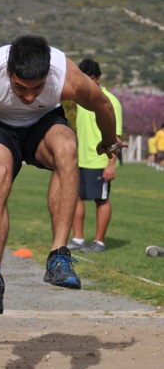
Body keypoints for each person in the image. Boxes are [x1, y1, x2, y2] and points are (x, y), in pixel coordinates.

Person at [0, 35, 126, 317]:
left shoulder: (67, 75)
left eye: (37, 88)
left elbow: (102, 104)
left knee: (67, 147)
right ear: (8, 71)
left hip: (44, 124)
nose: (29, 96)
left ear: (48, 75)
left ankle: (58, 258)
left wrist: (109, 142)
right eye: (20, 88)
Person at [67, 59, 123, 253]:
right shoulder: (82, 101)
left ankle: (99, 242)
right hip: (80, 160)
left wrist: (111, 164)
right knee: (75, 198)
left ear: (98, 78)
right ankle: (78, 239)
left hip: (100, 161)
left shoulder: (110, 101)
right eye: (83, 78)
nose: (87, 82)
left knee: (101, 199)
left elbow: (117, 137)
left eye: (90, 78)